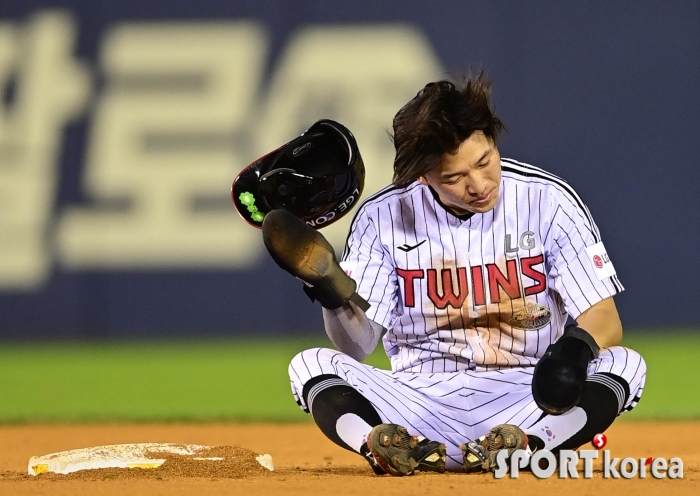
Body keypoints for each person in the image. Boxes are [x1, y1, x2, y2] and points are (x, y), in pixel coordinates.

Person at [240, 73, 647, 476]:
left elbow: (604, 318)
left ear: (492, 139)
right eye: (454, 177)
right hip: (418, 404)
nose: (479, 184)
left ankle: (527, 448)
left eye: (485, 161)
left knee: (626, 365)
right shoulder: (383, 217)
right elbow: (357, 345)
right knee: (309, 364)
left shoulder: (548, 201)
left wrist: (572, 353)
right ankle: (381, 445)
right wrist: (327, 287)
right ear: (423, 175)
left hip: (525, 399)